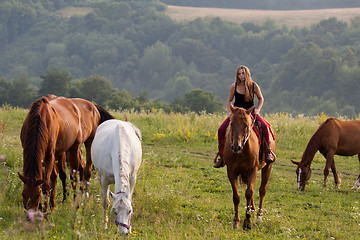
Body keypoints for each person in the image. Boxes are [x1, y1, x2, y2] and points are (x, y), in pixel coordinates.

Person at [213, 65, 276, 168]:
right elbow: (229, 100)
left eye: (243, 73)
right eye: (239, 74)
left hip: (249, 113)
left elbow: (261, 99)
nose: (241, 76)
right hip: (236, 113)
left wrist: (258, 110)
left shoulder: (253, 86)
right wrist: (230, 113)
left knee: (264, 127)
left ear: (247, 74)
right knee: (221, 130)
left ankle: (267, 152)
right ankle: (221, 155)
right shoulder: (234, 86)